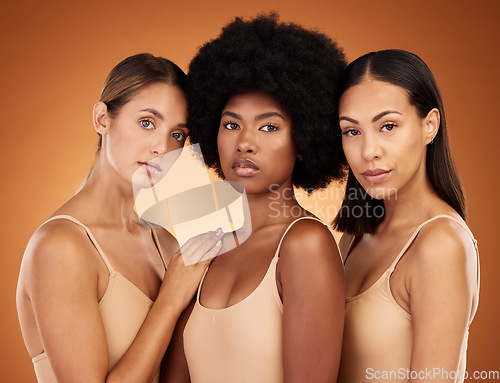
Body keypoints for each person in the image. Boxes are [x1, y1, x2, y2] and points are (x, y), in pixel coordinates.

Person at [162, 14, 347, 383]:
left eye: (268, 126)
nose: (244, 142)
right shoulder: (206, 245)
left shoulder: (305, 245)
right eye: (231, 124)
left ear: (304, 139)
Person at [16, 53, 223, 383]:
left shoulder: (165, 241)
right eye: (147, 123)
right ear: (102, 118)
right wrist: (169, 301)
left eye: (178, 135)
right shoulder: (60, 248)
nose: (161, 147)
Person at [333, 49, 480, 383]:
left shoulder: (441, 245)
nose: (369, 151)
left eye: (387, 126)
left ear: (429, 126)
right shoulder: (355, 236)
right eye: (352, 131)